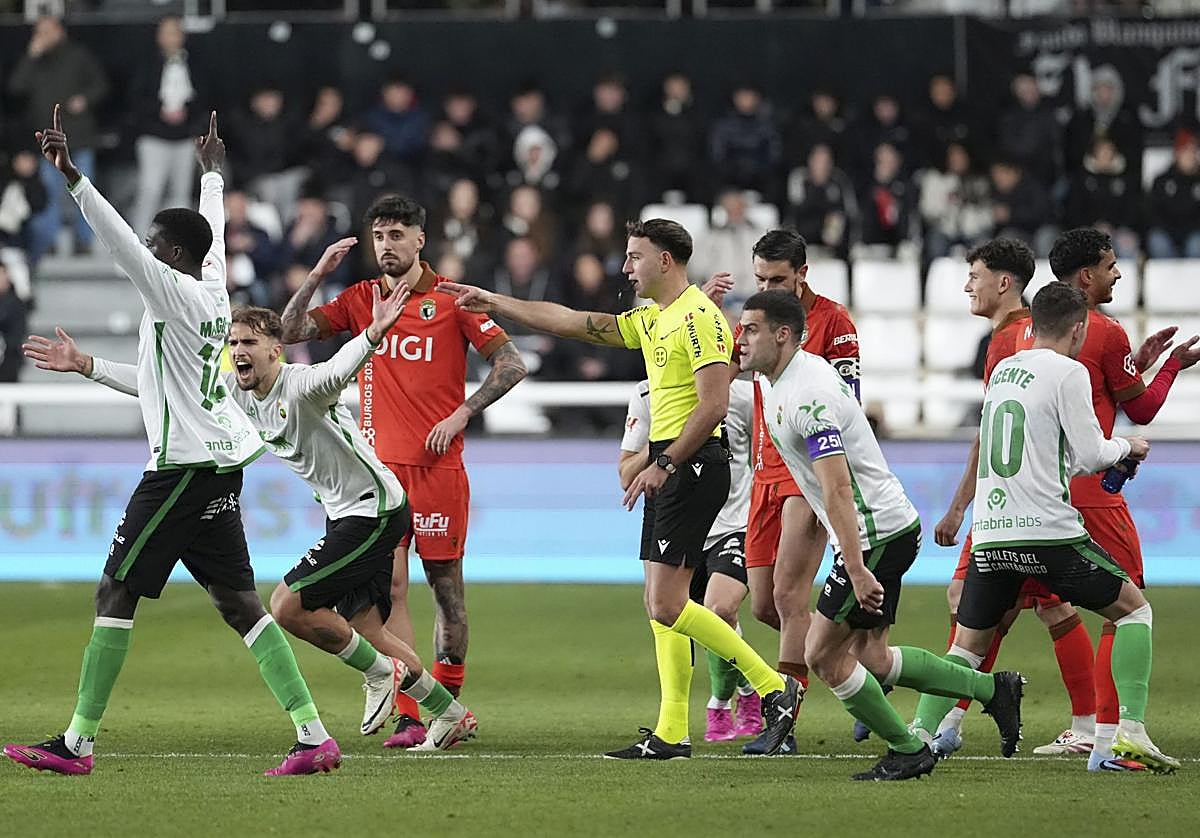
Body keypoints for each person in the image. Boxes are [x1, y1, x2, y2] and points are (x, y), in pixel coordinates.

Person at [4, 109, 335, 777]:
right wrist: (212, 174)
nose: (148, 253)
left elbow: (119, 240)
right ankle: (312, 735)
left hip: (182, 469)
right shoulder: (208, 289)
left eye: (159, 246)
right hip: (213, 463)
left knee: (114, 592)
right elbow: (164, 373)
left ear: (172, 257)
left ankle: (77, 743)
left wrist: (72, 177)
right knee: (239, 605)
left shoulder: (174, 291)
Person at [438, 218, 801, 759]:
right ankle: (673, 731)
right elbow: (572, 322)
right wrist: (495, 301)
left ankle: (773, 687)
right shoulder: (654, 318)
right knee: (660, 603)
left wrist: (666, 464)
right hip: (671, 461)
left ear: (666, 261)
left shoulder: (699, 318)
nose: (625, 266)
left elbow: (714, 405)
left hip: (693, 462)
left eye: (635, 256)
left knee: (666, 603)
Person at [736, 289, 1024, 781]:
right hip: (881, 530)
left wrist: (854, 567)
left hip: (877, 536)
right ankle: (994, 690)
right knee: (870, 656)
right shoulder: (781, 381)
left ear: (783, 335)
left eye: (750, 330)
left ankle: (908, 748)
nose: (739, 340)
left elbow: (838, 488)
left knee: (822, 655)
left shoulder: (809, 396)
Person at [279, 194, 527, 748]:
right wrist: (317, 274)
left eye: (397, 235)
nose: (386, 246)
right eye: (379, 236)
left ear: (420, 239)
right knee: (390, 588)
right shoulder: (360, 299)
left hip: (439, 470)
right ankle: (416, 714)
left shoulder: (454, 298)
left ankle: (451, 701)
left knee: (447, 593)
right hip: (379, 476)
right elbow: (290, 331)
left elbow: (512, 363)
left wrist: (463, 412)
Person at [915, 281, 1178, 774]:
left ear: (1033, 323)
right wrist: (1129, 447)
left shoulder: (1004, 371)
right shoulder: (1069, 372)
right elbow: (1091, 454)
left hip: (993, 533)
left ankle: (919, 734)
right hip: (1048, 531)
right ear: (1078, 329)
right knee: (1133, 612)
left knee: (966, 648)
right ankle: (1121, 740)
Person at [928, 238, 1099, 758]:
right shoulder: (1021, 332)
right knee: (1022, 609)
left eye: (975, 275)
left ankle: (945, 722)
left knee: (984, 605)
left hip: (1018, 501)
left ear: (1004, 282)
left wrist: (960, 506)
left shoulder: (1013, 341)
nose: (967, 285)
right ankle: (960, 719)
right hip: (1025, 497)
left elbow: (994, 432)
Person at [1042, 229, 1198, 771]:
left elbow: (1090, 387)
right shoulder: (1103, 331)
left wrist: (1136, 360)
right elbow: (1144, 411)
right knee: (1127, 608)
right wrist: (1174, 363)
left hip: (1036, 491)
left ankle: (934, 727)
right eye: (1110, 266)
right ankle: (1115, 734)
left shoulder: (1030, 331)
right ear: (1086, 276)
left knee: (985, 610)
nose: (1117, 274)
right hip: (1093, 491)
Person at [704, 228, 859, 754]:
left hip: (806, 471)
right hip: (763, 472)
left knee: (791, 599)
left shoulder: (834, 323)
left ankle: (782, 720)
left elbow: (846, 402)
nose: (769, 286)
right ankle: (856, 665)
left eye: (779, 278)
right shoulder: (753, 320)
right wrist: (706, 320)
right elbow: (721, 378)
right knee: (766, 607)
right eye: (761, 278)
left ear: (803, 274)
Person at [620, 377, 755, 744]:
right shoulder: (647, 395)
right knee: (669, 615)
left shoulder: (742, 397)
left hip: (735, 522)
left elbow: (768, 458)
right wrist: (669, 443)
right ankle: (737, 695)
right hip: (681, 524)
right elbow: (625, 474)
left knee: (720, 608)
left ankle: (735, 696)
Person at [7, 16, 109, 259]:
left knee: (85, 192)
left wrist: (84, 99)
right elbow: (15, 89)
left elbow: (101, 85)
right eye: (39, 32)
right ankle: (48, 242)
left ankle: (84, 240)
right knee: (47, 194)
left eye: (48, 31)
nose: (43, 36)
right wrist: (31, 56)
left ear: (60, 31)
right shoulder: (35, 62)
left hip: (79, 139)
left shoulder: (78, 56)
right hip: (47, 142)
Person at [129, 15, 204, 236]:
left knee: (180, 194)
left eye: (175, 33)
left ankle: (180, 245)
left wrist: (187, 111)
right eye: (167, 33)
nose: (171, 38)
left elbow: (205, 96)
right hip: (154, 137)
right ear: (159, 37)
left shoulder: (195, 63)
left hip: (184, 137)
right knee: (150, 190)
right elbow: (136, 97)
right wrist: (158, 109)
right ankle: (138, 243)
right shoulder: (146, 63)